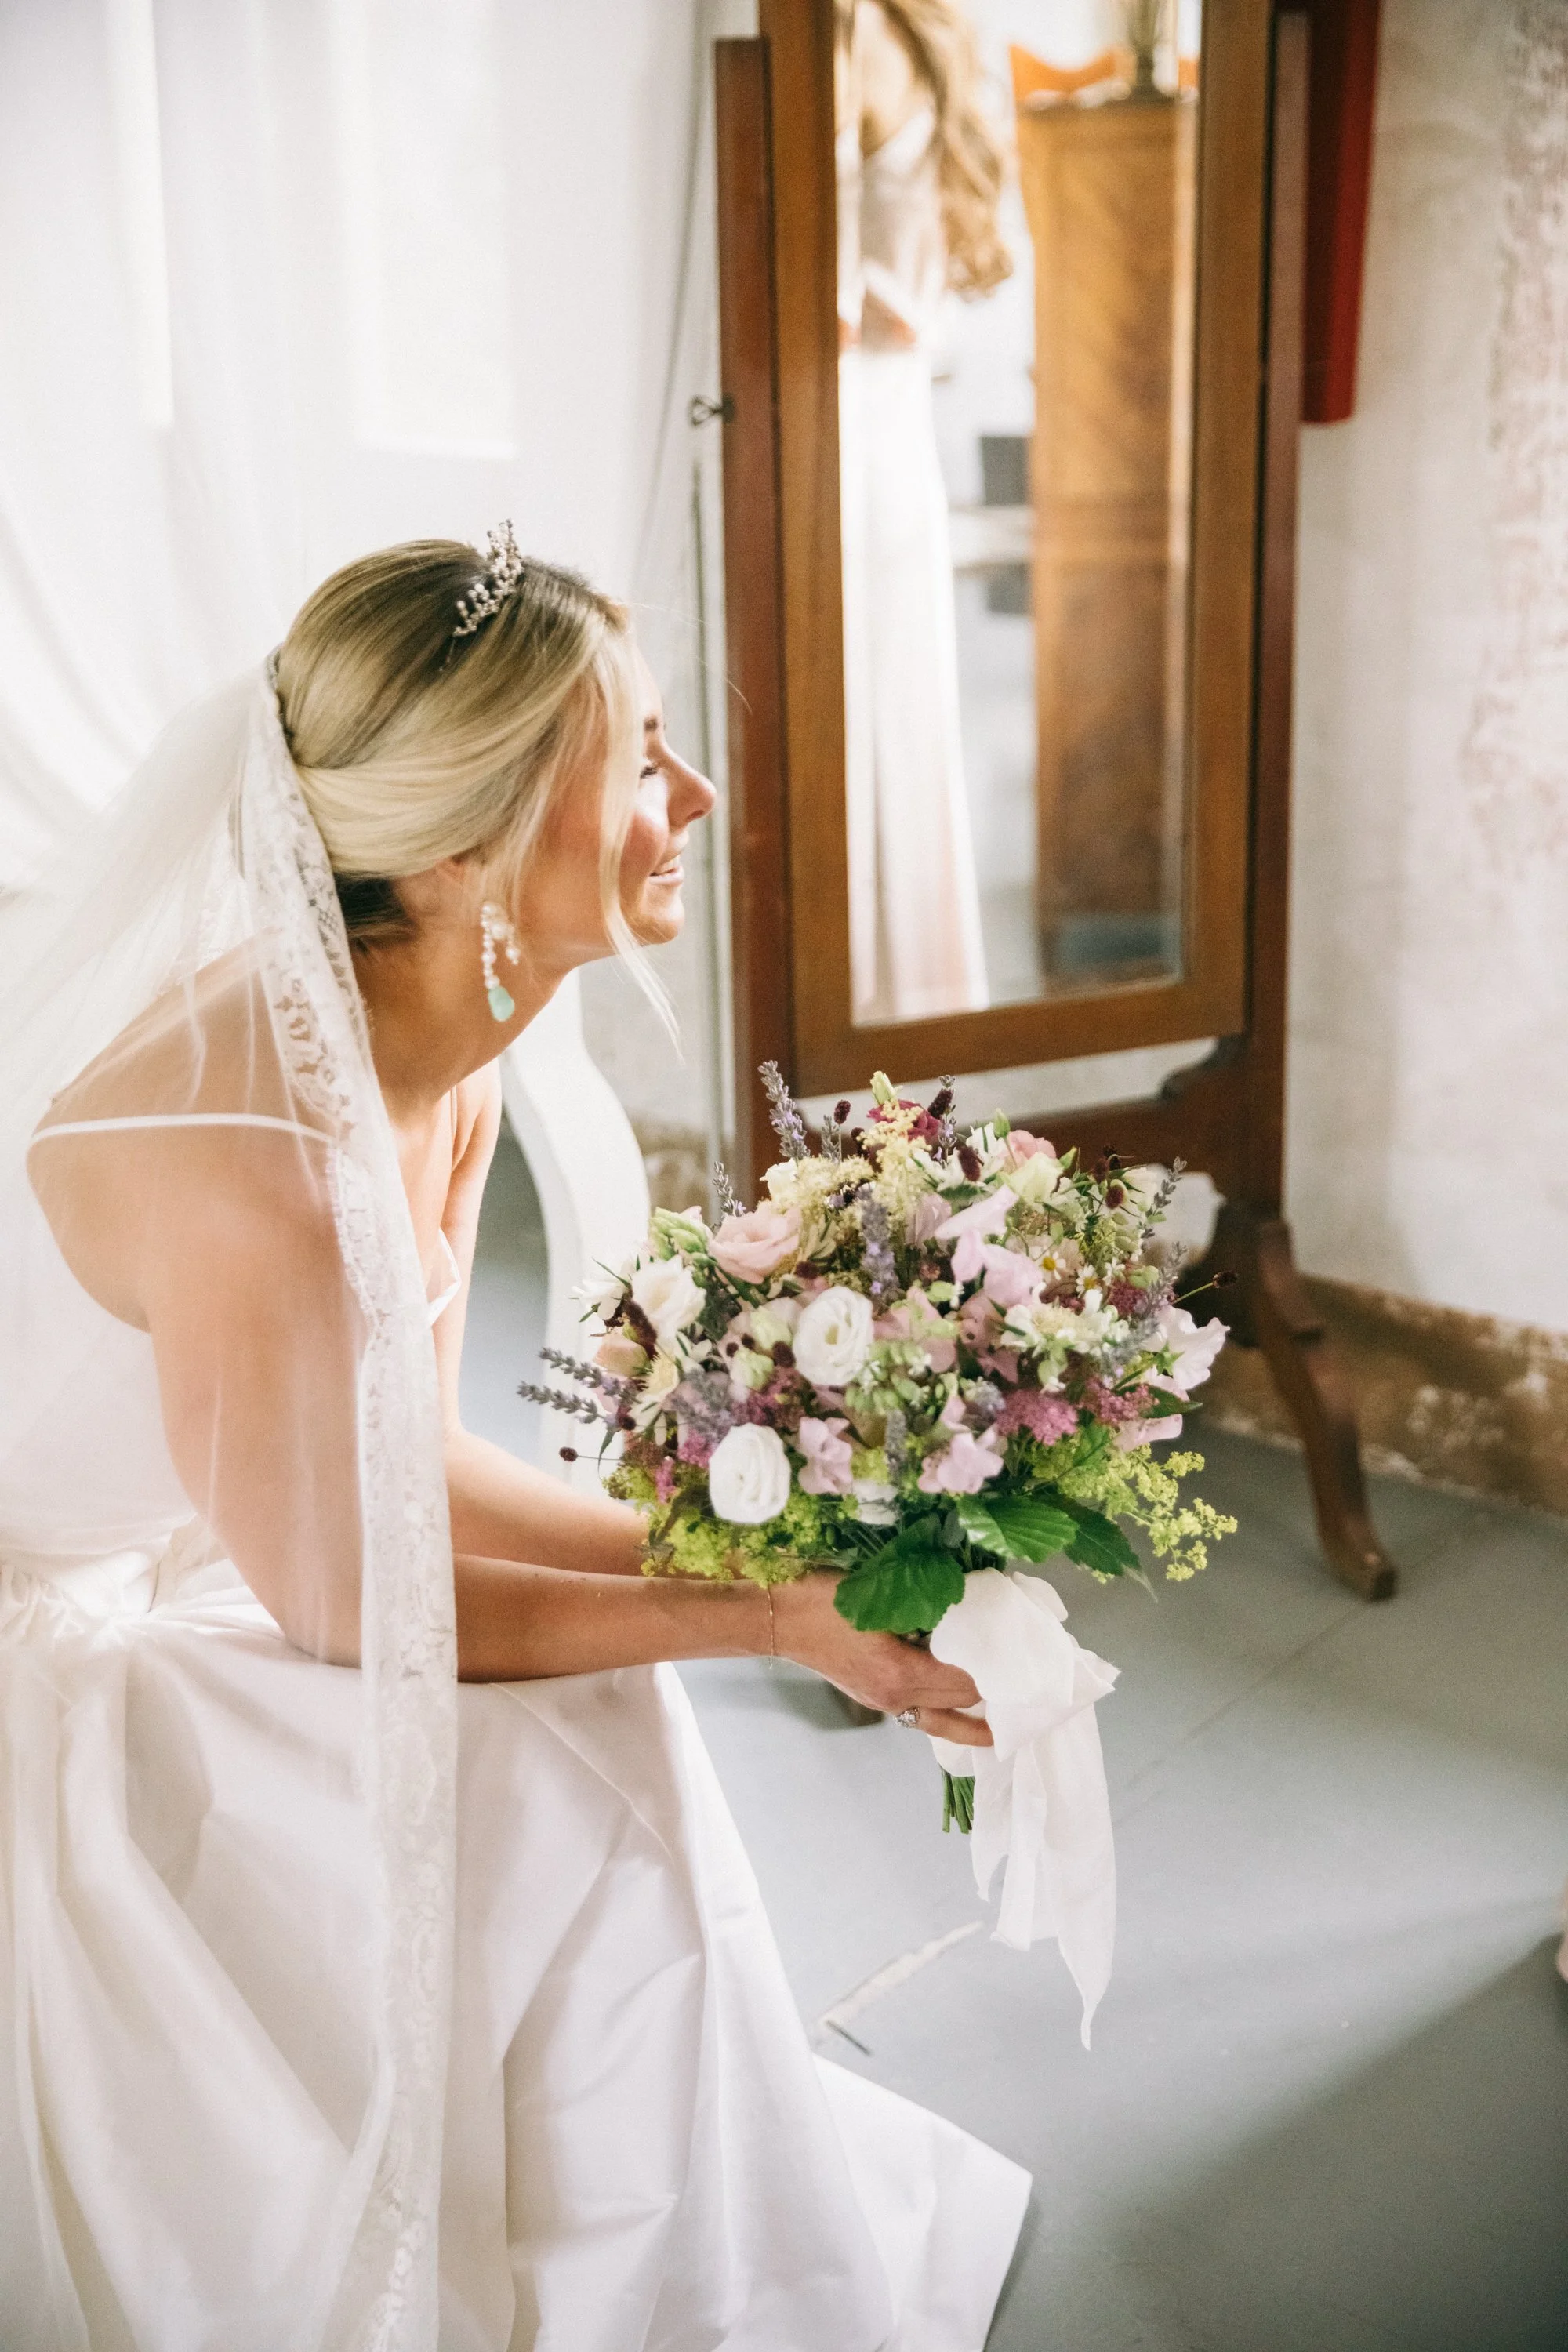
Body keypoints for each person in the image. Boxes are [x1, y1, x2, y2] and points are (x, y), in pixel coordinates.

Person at [0, 533, 1028, 2349]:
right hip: (53, 1636)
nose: (692, 792)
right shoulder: (257, 1163)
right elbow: (347, 1605)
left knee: (598, 1712)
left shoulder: (440, 1050)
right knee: (581, 1731)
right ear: (465, 846)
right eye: (635, 760)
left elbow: (403, 1473)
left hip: (224, 1557)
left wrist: (768, 1569)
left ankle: (671, 2246)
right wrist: (777, 1625)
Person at [837, 0, 1011, 1025]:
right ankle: (919, 996)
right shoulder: (936, 36)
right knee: (898, 712)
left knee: (863, 710)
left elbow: (838, 288)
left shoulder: (849, 34)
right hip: (894, 432)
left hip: (857, 422)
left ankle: (864, 996)